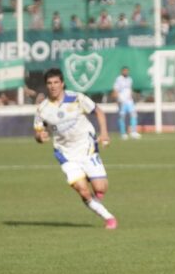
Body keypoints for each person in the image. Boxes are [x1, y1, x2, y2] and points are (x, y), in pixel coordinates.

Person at [33, 68, 118, 230]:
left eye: (56, 82)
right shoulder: (42, 109)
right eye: (49, 83)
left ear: (62, 83)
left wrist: (104, 133)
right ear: (46, 85)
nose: (53, 86)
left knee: (100, 188)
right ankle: (109, 218)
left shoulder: (77, 98)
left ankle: (90, 179)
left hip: (86, 147)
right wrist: (40, 136)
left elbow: (99, 112)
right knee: (82, 190)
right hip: (65, 154)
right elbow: (38, 132)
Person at [112, 67, 141, 139]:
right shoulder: (118, 79)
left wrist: (132, 97)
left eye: (127, 71)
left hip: (129, 101)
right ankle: (123, 133)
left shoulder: (129, 79)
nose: (126, 72)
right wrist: (117, 100)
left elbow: (130, 89)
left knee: (134, 115)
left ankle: (133, 132)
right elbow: (115, 90)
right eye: (124, 71)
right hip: (122, 101)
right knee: (122, 117)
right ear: (122, 71)